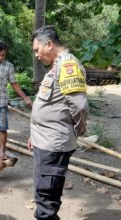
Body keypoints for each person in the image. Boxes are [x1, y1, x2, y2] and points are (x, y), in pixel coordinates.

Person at [28, 26, 89, 220]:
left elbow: (79, 106)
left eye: (37, 50)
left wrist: (77, 130)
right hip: (44, 140)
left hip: (53, 143)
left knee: (46, 196)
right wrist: (34, 135)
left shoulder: (67, 65)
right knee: (43, 190)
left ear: (49, 44)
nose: (37, 55)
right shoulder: (57, 65)